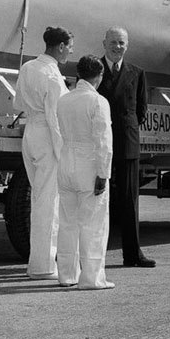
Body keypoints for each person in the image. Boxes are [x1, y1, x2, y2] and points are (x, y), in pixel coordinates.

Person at [13, 26, 73, 279]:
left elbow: (17, 102)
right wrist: (64, 153)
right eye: (69, 47)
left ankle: (37, 262)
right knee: (48, 203)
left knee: (39, 199)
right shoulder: (51, 74)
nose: (70, 52)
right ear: (60, 46)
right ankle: (44, 266)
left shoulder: (28, 67)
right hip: (47, 135)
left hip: (30, 133)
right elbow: (55, 117)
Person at [98, 27, 155, 267]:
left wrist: (125, 128)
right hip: (99, 141)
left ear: (127, 46)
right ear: (104, 44)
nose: (117, 47)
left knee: (130, 201)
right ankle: (91, 256)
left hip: (127, 142)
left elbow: (141, 109)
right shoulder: (93, 69)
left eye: (121, 43)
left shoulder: (137, 73)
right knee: (96, 199)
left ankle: (132, 254)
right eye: (113, 42)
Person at [56, 56, 114, 289]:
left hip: (66, 162)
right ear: (99, 76)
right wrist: (103, 173)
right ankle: (91, 278)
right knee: (93, 223)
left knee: (67, 223)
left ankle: (67, 275)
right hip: (88, 164)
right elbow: (103, 141)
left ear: (79, 74)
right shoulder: (98, 101)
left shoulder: (64, 100)